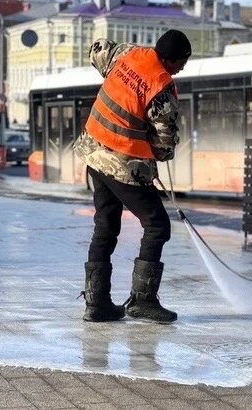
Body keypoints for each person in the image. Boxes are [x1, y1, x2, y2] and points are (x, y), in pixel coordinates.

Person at [72, 30, 190, 323]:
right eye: (181, 63)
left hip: (93, 151)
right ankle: (143, 300)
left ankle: (97, 303)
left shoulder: (127, 53)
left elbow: (97, 48)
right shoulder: (162, 91)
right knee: (157, 225)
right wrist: (154, 153)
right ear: (171, 60)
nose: (181, 69)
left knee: (106, 225)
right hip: (121, 164)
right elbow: (164, 145)